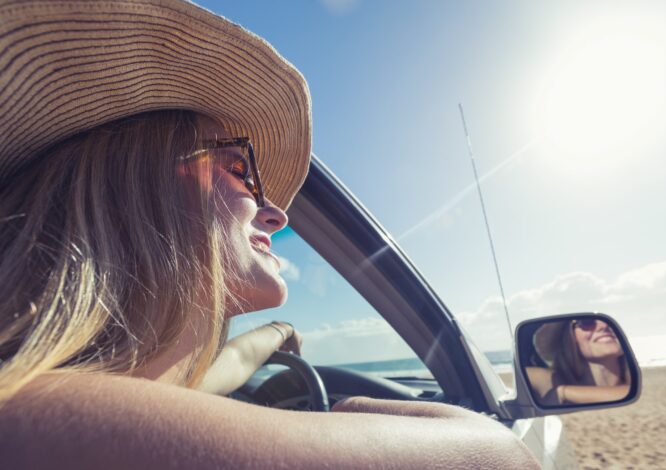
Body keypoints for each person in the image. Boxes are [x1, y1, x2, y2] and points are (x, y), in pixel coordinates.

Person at [0, 1, 539, 468]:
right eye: (240, 170)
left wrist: (279, 333)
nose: (276, 214)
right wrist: (346, 413)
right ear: (130, 188)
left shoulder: (72, 400)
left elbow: (227, 366)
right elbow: (502, 458)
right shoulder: (35, 424)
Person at [525, 318, 631, 406]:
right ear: (570, 337)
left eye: (611, 322)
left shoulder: (636, 383)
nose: (603, 326)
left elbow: (629, 393)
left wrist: (563, 392)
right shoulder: (552, 379)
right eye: (587, 321)